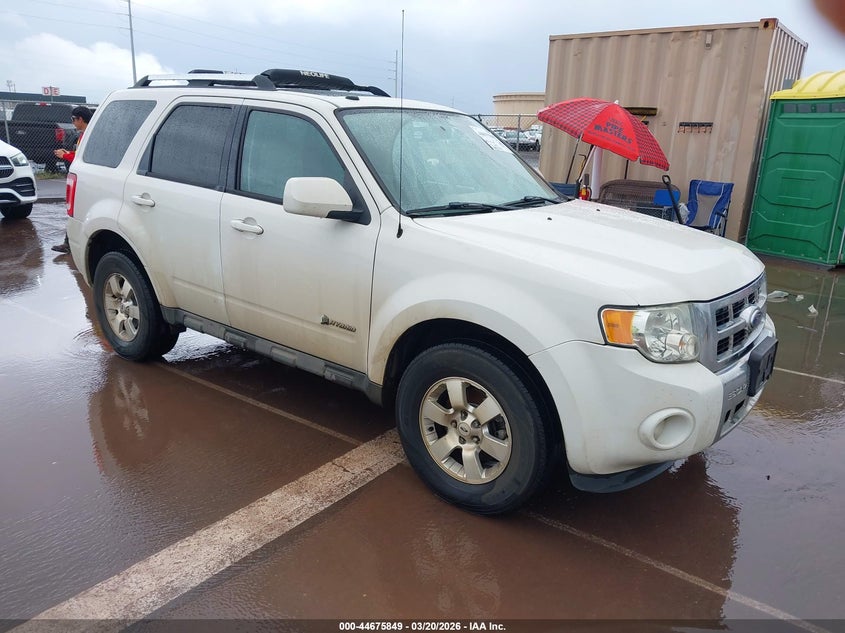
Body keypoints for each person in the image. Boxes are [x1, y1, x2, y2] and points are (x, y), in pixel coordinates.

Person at [51, 105, 92, 253]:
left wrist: (66, 155)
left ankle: (72, 243)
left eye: (74, 119)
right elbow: (80, 153)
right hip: (83, 179)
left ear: (80, 119)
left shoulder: (89, 134)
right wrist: (68, 153)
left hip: (86, 181)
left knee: (77, 211)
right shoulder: (84, 134)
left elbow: (85, 156)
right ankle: (69, 242)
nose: (73, 123)